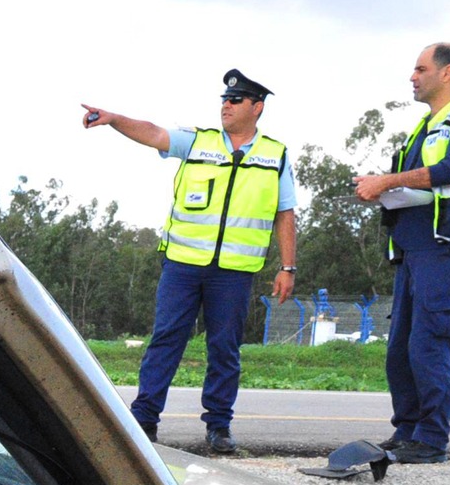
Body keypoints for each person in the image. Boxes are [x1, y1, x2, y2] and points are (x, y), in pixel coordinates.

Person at [83, 71, 298, 455]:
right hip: (182, 266)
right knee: (166, 339)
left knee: (225, 348)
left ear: (257, 107)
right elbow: (152, 133)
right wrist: (114, 119)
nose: (226, 106)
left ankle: (218, 426)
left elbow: (285, 213)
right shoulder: (199, 141)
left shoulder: (275, 155)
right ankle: (144, 419)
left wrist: (287, 267)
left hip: (233, 272)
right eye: (224, 100)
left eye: (235, 101)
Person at [354, 43, 450, 463]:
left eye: (420, 69)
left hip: (444, 247)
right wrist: (385, 189)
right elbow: (417, 181)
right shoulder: (424, 126)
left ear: (447, 72)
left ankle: (431, 440)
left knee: (430, 344)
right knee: (401, 350)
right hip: (412, 250)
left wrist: (386, 181)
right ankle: (408, 431)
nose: (412, 77)